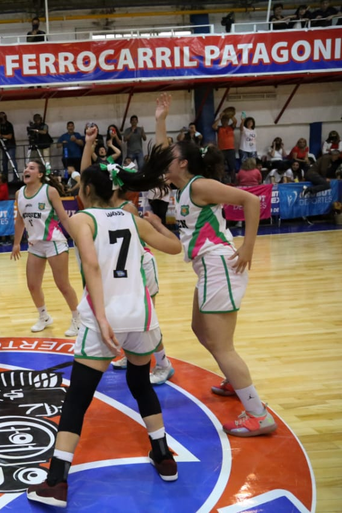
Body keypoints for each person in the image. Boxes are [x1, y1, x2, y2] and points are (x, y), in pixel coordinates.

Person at [26, 137, 183, 508]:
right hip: (142, 316)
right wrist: (158, 224)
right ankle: (162, 455)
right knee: (140, 383)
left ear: (87, 189)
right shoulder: (130, 215)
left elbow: (93, 266)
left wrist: (99, 316)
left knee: (78, 399)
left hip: (105, 317)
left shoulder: (82, 219)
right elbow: (176, 247)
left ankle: (56, 482)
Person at [152, 93, 277, 437]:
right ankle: (235, 379)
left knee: (223, 345)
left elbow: (251, 200)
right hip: (209, 267)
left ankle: (257, 414)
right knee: (199, 328)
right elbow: (162, 150)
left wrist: (248, 246)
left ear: (183, 164)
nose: (166, 161)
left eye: (171, 158)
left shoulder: (200, 186)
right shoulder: (181, 187)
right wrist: (161, 120)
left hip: (220, 264)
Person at [81, 127, 176, 385]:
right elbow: (85, 182)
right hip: (122, 268)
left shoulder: (128, 209)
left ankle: (164, 363)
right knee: (129, 317)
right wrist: (89, 144)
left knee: (146, 319)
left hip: (141, 265)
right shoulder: (99, 209)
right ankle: (129, 349)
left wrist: (157, 224)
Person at [12, 159, 80, 336]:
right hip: (35, 244)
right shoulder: (19, 193)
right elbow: (19, 220)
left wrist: (76, 238)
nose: (27, 169)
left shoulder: (49, 191)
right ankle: (44, 316)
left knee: (62, 284)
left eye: (32, 168)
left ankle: (78, 319)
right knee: (33, 285)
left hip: (54, 242)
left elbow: (64, 218)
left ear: (40, 174)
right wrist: (16, 243)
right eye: (26, 167)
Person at [212, 112, 237, 180]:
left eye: (226, 120)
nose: (225, 122)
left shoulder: (231, 127)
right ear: (221, 121)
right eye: (223, 120)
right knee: (221, 166)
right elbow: (214, 126)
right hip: (222, 150)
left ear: (228, 121)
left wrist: (230, 115)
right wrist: (219, 117)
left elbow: (235, 121)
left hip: (231, 149)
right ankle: (221, 180)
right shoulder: (219, 128)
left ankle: (233, 180)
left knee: (232, 166)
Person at [0, 112, 17, 180]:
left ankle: (15, 177)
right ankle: (5, 179)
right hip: (3, 146)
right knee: (4, 163)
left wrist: (0, 135)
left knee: (12, 161)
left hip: (10, 145)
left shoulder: (9, 125)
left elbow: (10, 136)